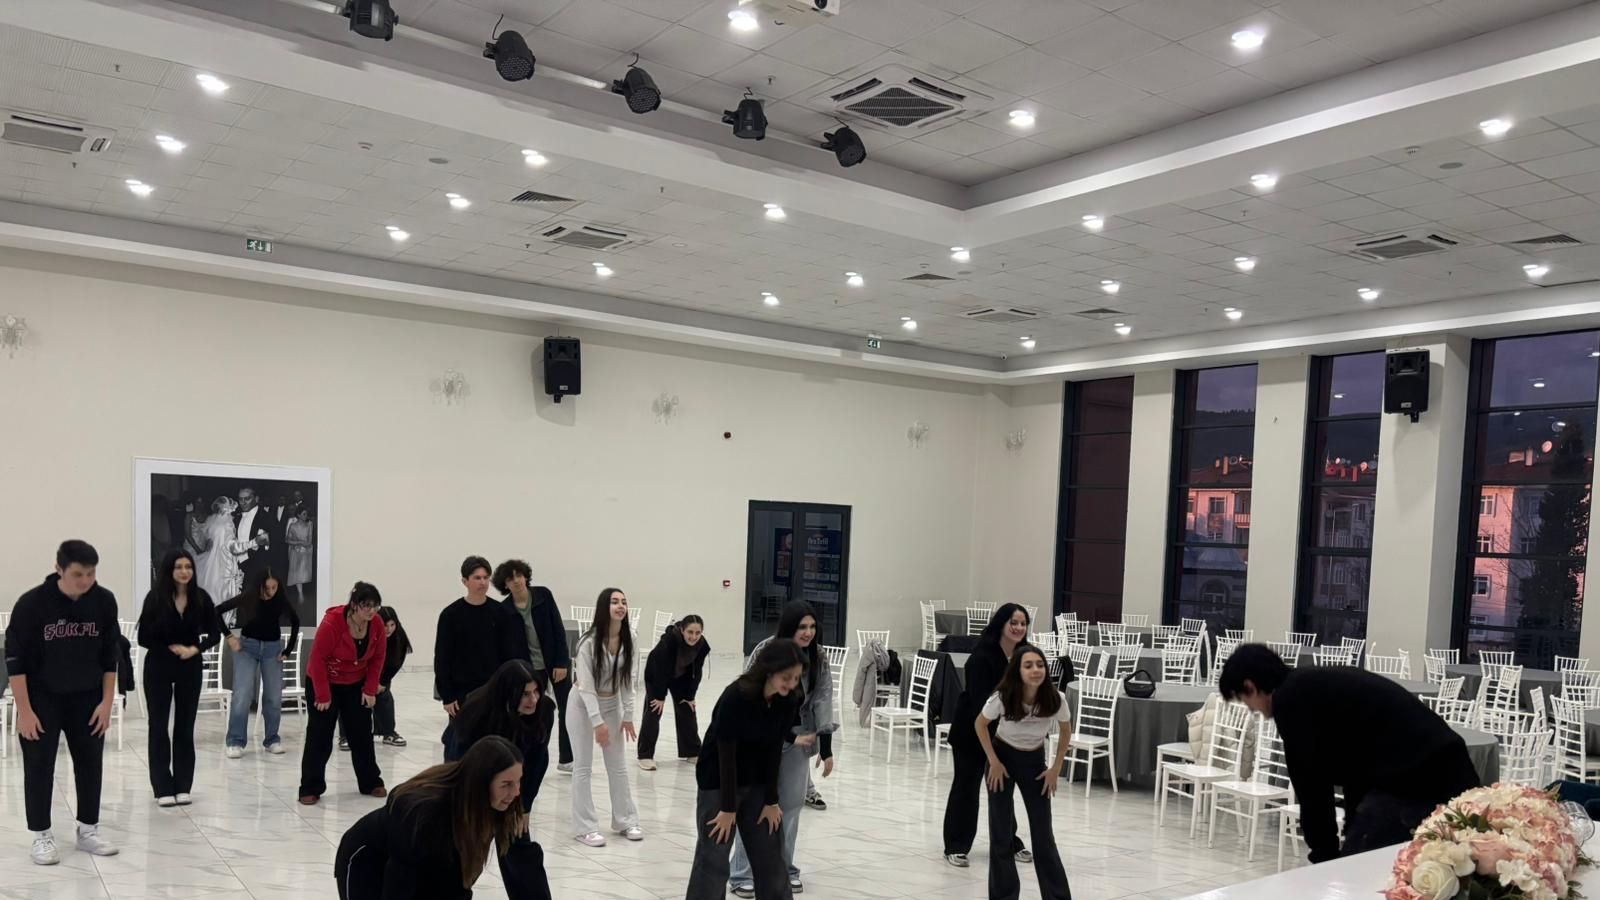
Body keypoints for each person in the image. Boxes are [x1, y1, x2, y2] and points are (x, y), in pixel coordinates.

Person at [1219, 643, 1481, 862]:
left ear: (1250, 687)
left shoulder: (1291, 700)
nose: (1252, 709)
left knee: (1365, 868)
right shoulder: (1311, 685)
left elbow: (1311, 785)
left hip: (1421, 779)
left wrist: (1324, 856)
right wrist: (1349, 829)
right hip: (1441, 766)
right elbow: (1358, 764)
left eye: (1245, 700)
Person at [5, 540, 121, 865]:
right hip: (42, 698)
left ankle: (88, 830)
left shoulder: (103, 601)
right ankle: (41, 835)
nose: (86, 581)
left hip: (87, 697)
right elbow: (15, 661)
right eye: (78, 574)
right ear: (59, 569)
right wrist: (24, 711)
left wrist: (107, 703)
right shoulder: (32, 604)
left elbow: (110, 657)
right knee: (39, 765)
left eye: (91, 573)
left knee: (90, 763)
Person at [335, 736, 529, 900]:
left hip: (424, 865)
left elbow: (458, 880)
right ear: (481, 782)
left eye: (518, 781)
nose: (516, 792)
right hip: (369, 861)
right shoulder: (425, 812)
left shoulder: (495, 804)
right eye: (506, 784)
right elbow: (400, 878)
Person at [729, 601, 836, 897]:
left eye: (812, 627)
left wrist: (826, 747)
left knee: (791, 805)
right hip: (763, 736)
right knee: (756, 804)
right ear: (789, 627)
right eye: (802, 627)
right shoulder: (767, 650)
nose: (808, 632)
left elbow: (823, 699)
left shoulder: (819, 657)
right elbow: (748, 692)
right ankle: (742, 873)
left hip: (800, 736)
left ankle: (784, 868)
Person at [685, 638, 805, 900]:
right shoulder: (736, 695)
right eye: (786, 677)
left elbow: (775, 748)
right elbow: (725, 751)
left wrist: (771, 800)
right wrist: (728, 808)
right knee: (713, 857)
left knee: (771, 855)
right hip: (718, 778)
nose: (791, 684)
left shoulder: (788, 700)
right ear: (769, 670)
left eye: (796, 678)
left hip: (757, 780)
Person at [451, 661, 558, 900]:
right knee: (465, 850)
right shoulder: (478, 709)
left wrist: (524, 806)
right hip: (474, 785)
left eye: (536, 691)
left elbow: (538, 760)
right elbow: (460, 763)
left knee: (518, 843)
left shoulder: (544, 710)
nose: (533, 700)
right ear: (508, 693)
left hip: (512, 785)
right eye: (525, 694)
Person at [975, 644, 1073, 900]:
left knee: (1043, 835)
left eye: (1040, 665)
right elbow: (980, 724)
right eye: (1028, 665)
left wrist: (1055, 768)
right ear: (1017, 671)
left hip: (1034, 762)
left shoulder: (1056, 698)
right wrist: (993, 762)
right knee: (1001, 833)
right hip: (1002, 758)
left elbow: (1066, 731)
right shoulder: (1003, 696)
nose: (1035, 670)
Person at [943, 603, 1033, 868]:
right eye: (1013, 622)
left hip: (1005, 733)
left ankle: (1009, 842)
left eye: (1023, 623)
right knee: (966, 788)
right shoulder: (982, 656)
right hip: (973, 731)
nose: (1018, 628)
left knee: (1002, 789)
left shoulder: (1024, 655)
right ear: (1001, 624)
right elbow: (981, 704)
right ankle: (955, 845)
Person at [136, 548, 221, 807]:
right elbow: (143, 638)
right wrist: (169, 648)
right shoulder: (155, 598)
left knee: (185, 726)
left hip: (190, 667)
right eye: (179, 567)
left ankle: (183, 785)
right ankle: (162, 787)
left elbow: (214, 634)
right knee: (158, 726)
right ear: (169, 570)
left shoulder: (201, 598)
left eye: (188, 567)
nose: (184, 571)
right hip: (158, 666)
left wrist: (195, 649)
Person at [299, 582, 388, 806]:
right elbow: (317, 659)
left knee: (361, 734)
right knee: (320, 735)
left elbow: (378, 658)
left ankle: (370, 781)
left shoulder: (376, 624)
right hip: (325, 681)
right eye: (366, 606)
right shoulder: (333, 623)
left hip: (355, 682)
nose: (371, 611)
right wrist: (322, 695)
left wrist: (370, 689)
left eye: (375, 606)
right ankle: (310, 787)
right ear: (354, 605)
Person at [568, 587, 641, 847]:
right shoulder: (588, 642)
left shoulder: (630, 637)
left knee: (618, 766)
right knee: (583, 767)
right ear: (604, 607)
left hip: (612, 704)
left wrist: (628, 715)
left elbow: (630, 679)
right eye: (614, 602)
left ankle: (625, 820)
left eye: (624, 602)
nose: (620, 606)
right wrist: (597, 722)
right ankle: (585, 828)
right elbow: (586, 687)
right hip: (582, 705)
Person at [435, 556, 528, 757]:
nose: (483, 582)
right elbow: (442, 657)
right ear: (465, 581)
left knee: (493, 746)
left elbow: (509, 655)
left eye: (486, 577)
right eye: (477, 578)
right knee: (460, 746)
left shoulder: (500, 613)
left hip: (494, 690)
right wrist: (447, 695)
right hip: (462, 693)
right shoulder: (450, 615)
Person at [492, 559, 571, 770]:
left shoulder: (543, 595)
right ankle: (530, 754)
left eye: (519, 575)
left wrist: (562, 662)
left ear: (526, 576)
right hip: (529, 670)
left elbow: (558, 629)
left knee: (568, 708)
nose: (516, 581)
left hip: (555, 663)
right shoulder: (504, 610)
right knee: (533, 712)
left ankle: (567, 758)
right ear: (505, 584)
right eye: (510, 579)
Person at [217, 567, 301, 758]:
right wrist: (229, 637)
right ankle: (235, 741)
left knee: (273, 697)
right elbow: (217, 611)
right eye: (267, 588)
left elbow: (295, 621)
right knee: (242, 695)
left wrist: (287, 651)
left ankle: (272, 739)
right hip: (247, 648)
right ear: (259, 586)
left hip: (273, 650)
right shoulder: (249, 597)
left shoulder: (280, 600)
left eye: (274, 587)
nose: (270, 592)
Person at [638, 614, 709, 771]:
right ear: (682, 630)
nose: (694, 637)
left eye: (698, 633)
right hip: (656, 674)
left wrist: (690, 696)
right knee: (654, 710)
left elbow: (696, 672)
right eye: (690, 632)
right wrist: (659, 696)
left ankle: (692, 751)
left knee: (687, 709)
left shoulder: (702, 645)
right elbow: (660, 669)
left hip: (680, 676)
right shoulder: (669, 642)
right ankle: (645, 755)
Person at [340, 606, 412, 751]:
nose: (389, 629)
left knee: (384, 698)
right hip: (358, 671)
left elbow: (397, 662)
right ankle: (346, 735)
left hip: (383, 673)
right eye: (385, 625)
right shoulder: (365, 632)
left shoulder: (399, 636)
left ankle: (388, 732)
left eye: (392, 625)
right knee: (352, 700)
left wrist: (382, 682)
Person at [194, 496, 243, 603]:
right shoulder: (217, 519)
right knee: (212, 578)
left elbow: (230, 539)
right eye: (220, 507)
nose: (221, 509)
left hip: (220, 553)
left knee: (216, 579)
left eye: (223, 507)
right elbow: (209, 536)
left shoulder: (224, 520)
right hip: (215, 553)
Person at [285, 506, 314, 608]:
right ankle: (300, 594)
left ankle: (302, 594)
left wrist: (301, 544)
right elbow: (287, 540)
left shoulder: (309, 525)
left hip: (306, 552)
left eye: (306, 514)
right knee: (297, 572)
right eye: (304, 514)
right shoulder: (292, 526)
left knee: (303, 572)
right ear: (298, 515)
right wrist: (298, 543)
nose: (306, 516)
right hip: (295, 552)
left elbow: (309, 542)